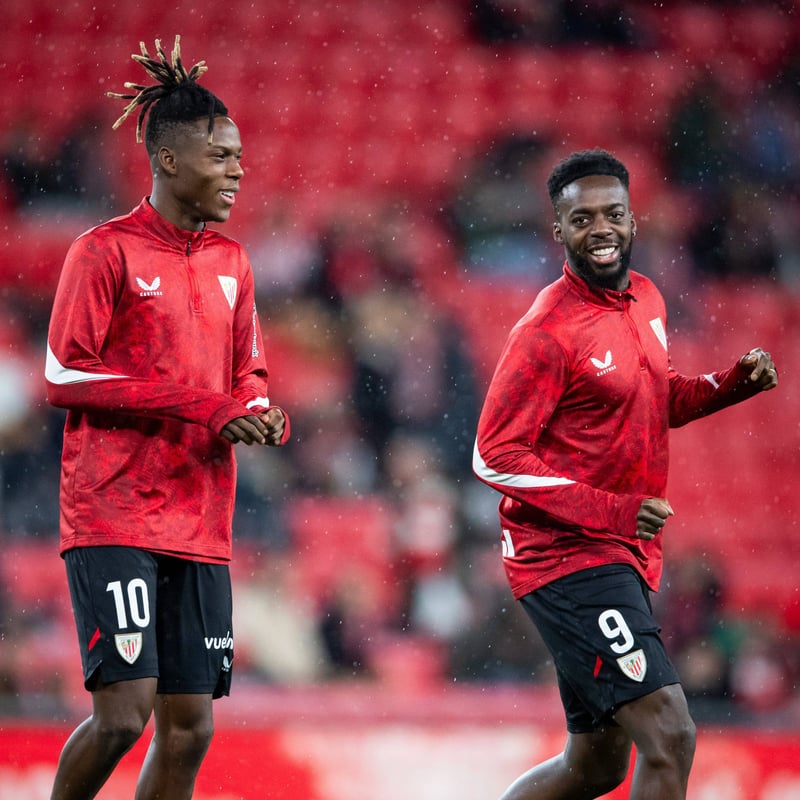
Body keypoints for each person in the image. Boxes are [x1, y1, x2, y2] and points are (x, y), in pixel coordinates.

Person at [472, 148, 778, 800]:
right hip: (564, 558)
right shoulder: (547, 330)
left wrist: (730, 385)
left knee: (596, 765)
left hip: (620, 553)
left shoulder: (646, 297)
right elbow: (493, 454)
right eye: (582, 219)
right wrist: (611, 510)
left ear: (633, 217)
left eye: (612, 213)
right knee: (671, 735)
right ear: (559, 229)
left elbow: (652, 397)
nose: (601, 228)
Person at [44, 37, 289, 800]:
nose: (238, 171)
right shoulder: (103, 251)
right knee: (123, 717)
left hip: (201, 517)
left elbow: (247, 372)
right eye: (221, 157)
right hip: (114, 511)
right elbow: (64, 373)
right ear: (170, 161)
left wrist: (256, 411)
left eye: (240, 157)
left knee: (191, 728)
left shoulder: (233, 262)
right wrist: (207, 408)